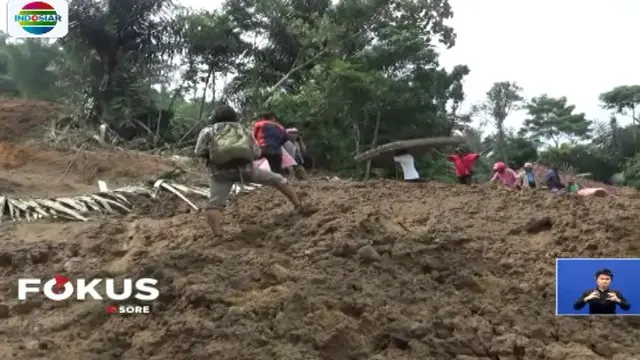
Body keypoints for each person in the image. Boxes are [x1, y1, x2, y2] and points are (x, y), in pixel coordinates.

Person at [194, 105, 308, 236]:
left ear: (214, 117)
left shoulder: (208, 131)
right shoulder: (244, 130)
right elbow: (257, 153)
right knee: (279, 180)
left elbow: (198, 152)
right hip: (246, 171)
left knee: (215, 204)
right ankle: (298, 206)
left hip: (219, 174)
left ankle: (217, 234)